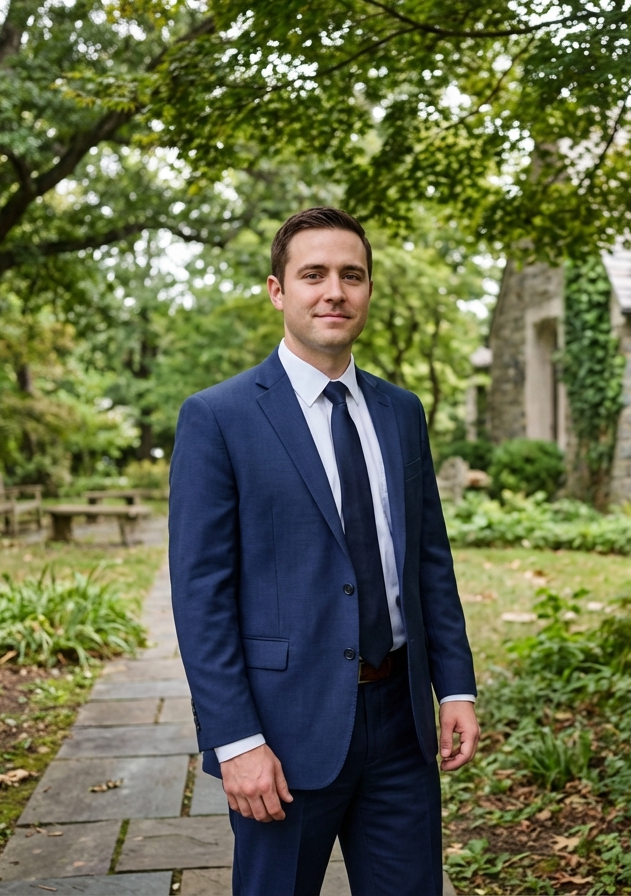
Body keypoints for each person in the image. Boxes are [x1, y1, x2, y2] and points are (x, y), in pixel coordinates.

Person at [168, 206, 480, 896]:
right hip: (282, 733)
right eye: (313, 275)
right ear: (279, 290)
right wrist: (237, 741)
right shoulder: (218, 418)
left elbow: (429, 558)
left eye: (351, 275)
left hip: (401, 724)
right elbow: (200, 597)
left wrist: (454, 685)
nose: (334, 291)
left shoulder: (401, 412)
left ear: (368, 289)